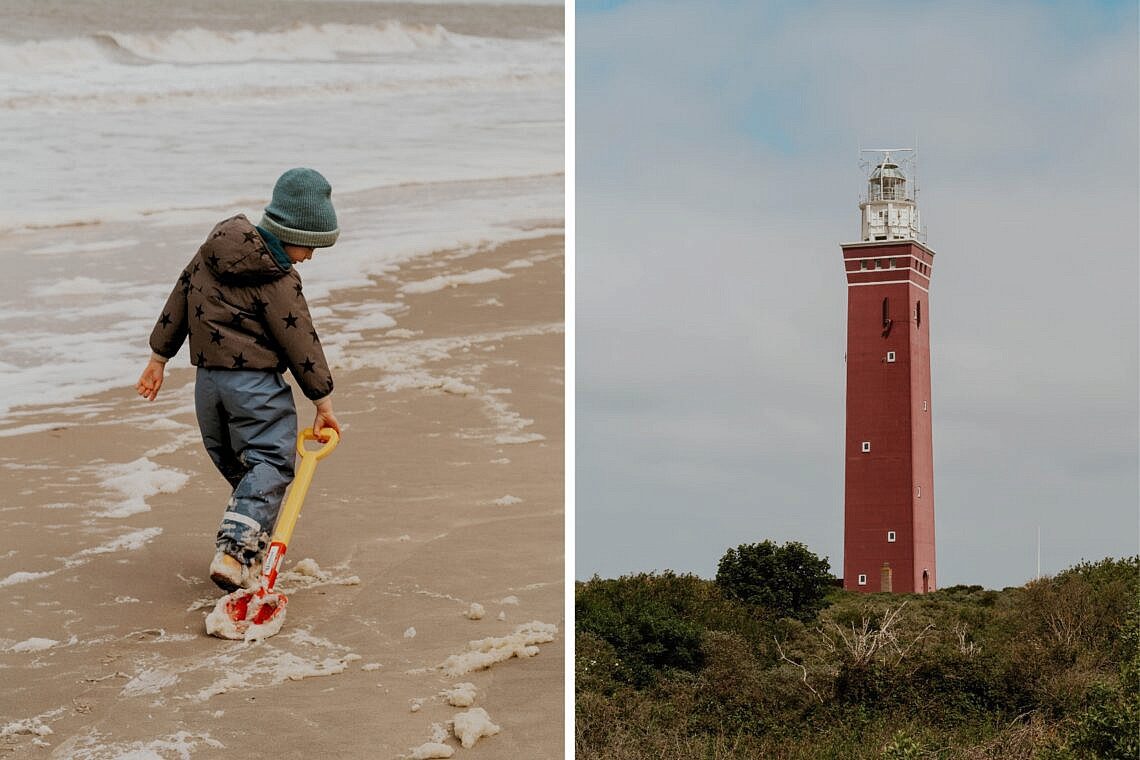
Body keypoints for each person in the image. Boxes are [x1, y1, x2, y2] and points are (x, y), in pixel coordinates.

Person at [136, 168, 343, 592]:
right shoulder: (278, 279)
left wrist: (158, 356)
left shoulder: (209, 254)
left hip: (207, 385)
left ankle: (249, 543)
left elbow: (179, 296)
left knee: (240, 466)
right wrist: (322, 401)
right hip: (254, 386)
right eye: (311, 247)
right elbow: (300, 339)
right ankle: (235, 551)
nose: (310, 257)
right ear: (292, 232)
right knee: (270, 461)